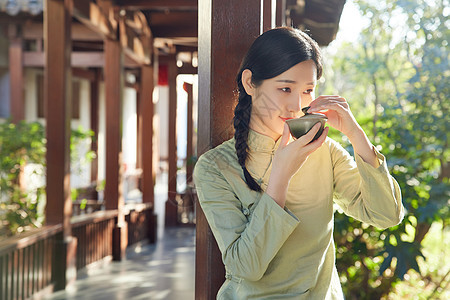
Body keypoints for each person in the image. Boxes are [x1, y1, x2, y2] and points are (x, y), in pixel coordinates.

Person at [193, 27, 404, 299]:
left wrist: (356, 135)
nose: (296, 105)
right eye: (285, 88)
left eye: (307, 90)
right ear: (249, 83)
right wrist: (280, 177)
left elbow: (386, 215)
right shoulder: (215, 167)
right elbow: (246, 267)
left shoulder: (323, 150)